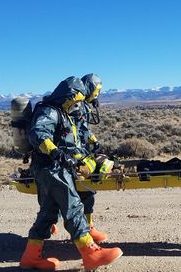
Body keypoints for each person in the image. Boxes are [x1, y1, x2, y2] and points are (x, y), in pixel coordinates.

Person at [19, 76, 123, 270]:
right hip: (51, 167)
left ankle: (31, 257)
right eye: (75, 100)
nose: (76, 105)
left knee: (49, 212)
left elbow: (78, 132)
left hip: (55, 167)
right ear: (67, 96)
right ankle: (91, 253)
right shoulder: (49, 111)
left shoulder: (64, 112)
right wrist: (55, 152)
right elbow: (38, 134)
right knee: (72, 205)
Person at [75, 73, 110, 243]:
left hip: (81, 151)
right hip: (73, 154)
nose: (97, 95)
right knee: (81, 190)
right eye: (96, 91)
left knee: (87, 190)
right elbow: (78, 131)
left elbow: (85, 131)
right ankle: (83, 233)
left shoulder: (83, 106)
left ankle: (88, 227)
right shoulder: (77, 107)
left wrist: (94, 142)